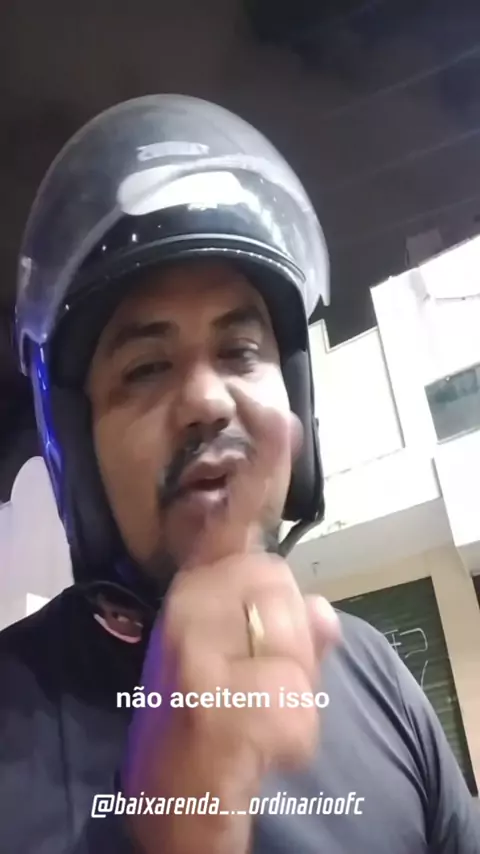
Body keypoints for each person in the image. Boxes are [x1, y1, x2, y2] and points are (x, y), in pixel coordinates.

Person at [0, 94, 478, 854]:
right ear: (76, 449)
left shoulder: (375, 675)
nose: (206, 400)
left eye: (240, 352)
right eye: (146, 367)